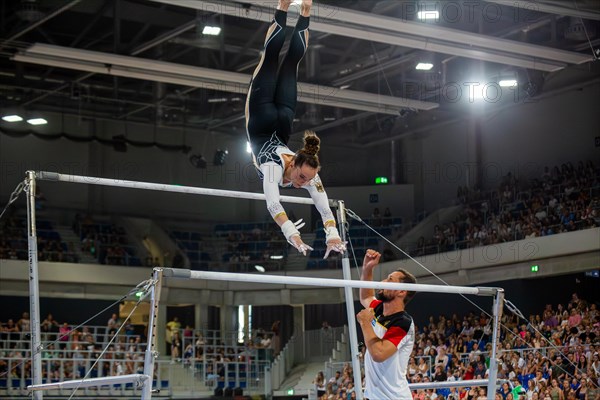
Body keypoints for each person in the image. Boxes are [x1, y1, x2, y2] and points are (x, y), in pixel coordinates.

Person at [245, 0, 345, 258]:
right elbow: (273, 203)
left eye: (308, 180)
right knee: (281, 61)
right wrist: (292, 233)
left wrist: (332, 234)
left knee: (281, 61)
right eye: (302, 178)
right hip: (265, 120)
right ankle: (296, 9)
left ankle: (294, 9)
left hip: (275, 120)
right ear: (295, 164)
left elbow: (323, 209)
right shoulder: (272, 167)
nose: (303, 184)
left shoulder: (306, 172)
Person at [356, 249, 417, 400]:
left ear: (401, 292)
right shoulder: (378, 308)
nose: (382, 282)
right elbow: (366, 296)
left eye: (390, 279)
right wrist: (367, 269)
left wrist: (365, 323)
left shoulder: (403, 322)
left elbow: (379, 353)